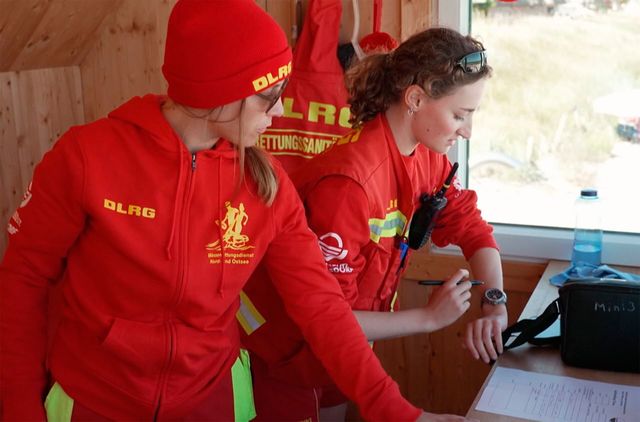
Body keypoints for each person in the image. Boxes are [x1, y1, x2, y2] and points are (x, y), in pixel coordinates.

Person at [0, 2, 468, 421]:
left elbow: (324, 309)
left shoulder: (266, 185)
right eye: (269, 96)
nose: (279, 110)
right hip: (97, 401)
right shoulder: (86, 158)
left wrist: (399, 413)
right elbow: (22, 282)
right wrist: (19, 408)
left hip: (213, 401)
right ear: (220, 92)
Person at [242, 27, 508, 421]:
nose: (467, 131)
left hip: (345, 353)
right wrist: (428, 319)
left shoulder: (426, 157)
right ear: (415, 99)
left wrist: (494, 304)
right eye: (459, 115)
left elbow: (471, 227)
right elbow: (328, 317)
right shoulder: (348, 185)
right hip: (286, 356)